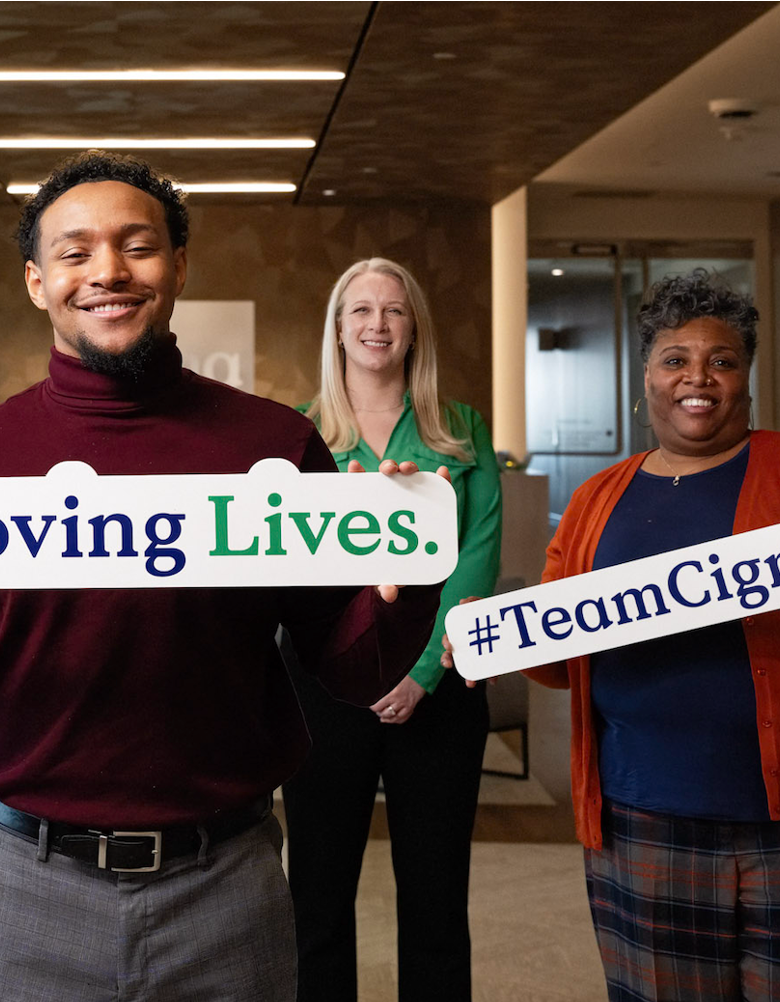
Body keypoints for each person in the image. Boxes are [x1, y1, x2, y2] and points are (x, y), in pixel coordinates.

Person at [0, 152, 446, 1002]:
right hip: (26, 883)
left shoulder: (270, 446)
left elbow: (351, 667)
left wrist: (403, 585)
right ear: (35, 281)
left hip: (228, 883)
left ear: (176, 269)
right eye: (75, 252)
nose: (107, 273)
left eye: (138, 246)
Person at [448, 270, 780, 1001]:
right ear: (646, 375)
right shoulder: (595, 500)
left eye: (722, 360)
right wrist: (499, 639)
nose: (697, 377)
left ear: (745, 378)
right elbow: (560, 660)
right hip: (642, 811)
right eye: (675, 359)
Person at [284, 258, 500, 1002]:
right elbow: (290, 580)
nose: (378, 325)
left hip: (437, 688)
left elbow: (477, 557)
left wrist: (422, 676)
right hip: (321, 694)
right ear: (338, 330)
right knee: (316, 893)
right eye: (361, 311)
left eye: (395, 311)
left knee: (436, 900)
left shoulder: (461, 428)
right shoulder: (297, 437)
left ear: (415, 330)